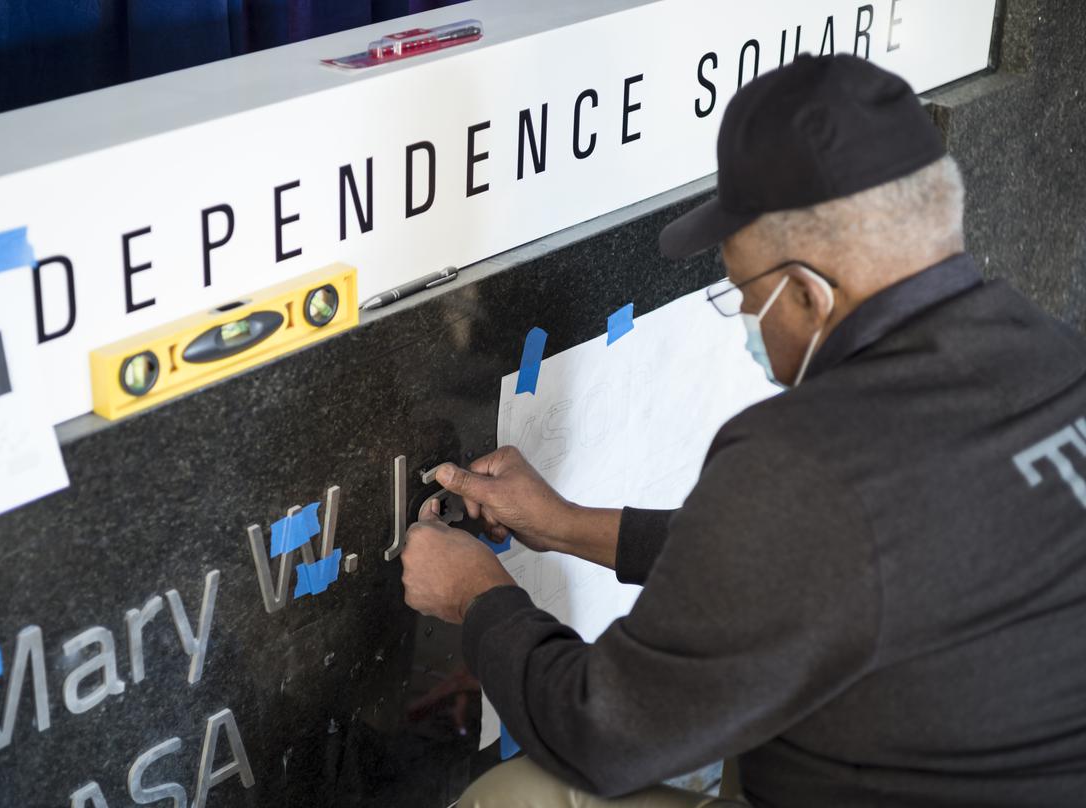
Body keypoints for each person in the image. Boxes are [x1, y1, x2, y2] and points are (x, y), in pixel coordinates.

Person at [398, 54, 1086, 807]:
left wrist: (477, 598)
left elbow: (605, 734)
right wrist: (564, 525)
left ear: (807, 295)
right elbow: (813, 562)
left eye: (743, 293)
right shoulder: (1053, 356)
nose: (749, 320)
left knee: (515, 798)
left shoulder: (809, 458)